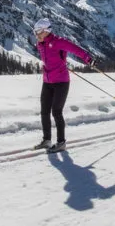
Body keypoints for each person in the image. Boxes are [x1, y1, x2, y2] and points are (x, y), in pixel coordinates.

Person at [32, 18, 95, 152]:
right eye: (35, 32)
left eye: (38, 32)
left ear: (46, 31)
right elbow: (50, 59)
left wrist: (88, 59)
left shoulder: (58, 42)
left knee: (56, 111)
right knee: (44, 111)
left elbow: (75, 49)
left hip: (61, 82)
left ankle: (61, 143)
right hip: (47, 81)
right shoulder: (41, 44)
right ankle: (47, 140)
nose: (36, 35)